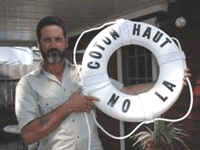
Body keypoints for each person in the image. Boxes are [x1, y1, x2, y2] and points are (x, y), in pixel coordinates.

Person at [15, 16, 191, 150]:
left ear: (66, 42)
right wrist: (68, 106)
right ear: (39, 44)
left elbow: (126, 90)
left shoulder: (86, 73)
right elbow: (28, 135)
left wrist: (169, 82)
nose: (53, 45)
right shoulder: (28, 84)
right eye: (47, 40)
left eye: (58, 39)